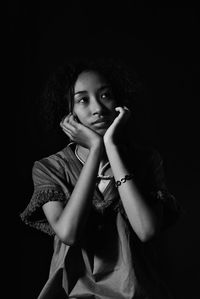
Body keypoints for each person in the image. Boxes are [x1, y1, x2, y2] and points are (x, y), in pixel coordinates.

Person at [20, 58, 180, 299]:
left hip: (137, 293)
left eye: (105, 95)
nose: (98, 108)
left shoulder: (147, 160)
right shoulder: (49, 168)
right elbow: (69, 233)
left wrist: (110, 148)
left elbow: (146, 230)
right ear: (68, 112)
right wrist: (95, 149)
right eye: (83, 100)